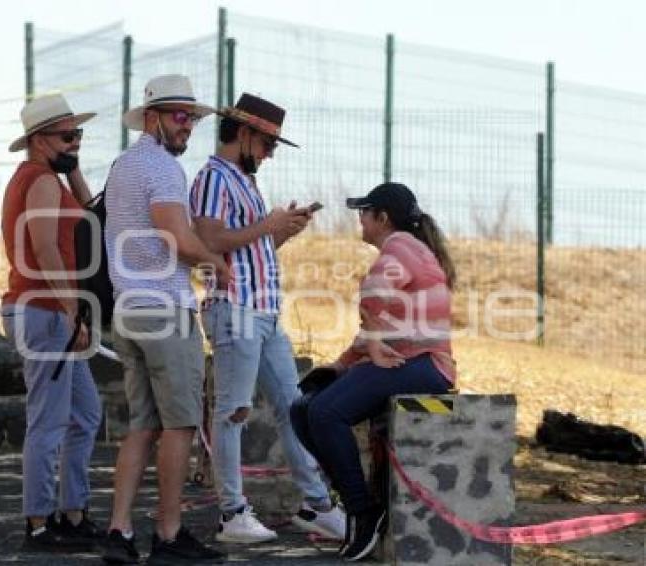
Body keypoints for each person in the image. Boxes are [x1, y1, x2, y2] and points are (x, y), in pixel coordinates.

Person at [189, 93, 345, 543]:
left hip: (261, 311)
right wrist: (270, 226)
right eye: (269, 142)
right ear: (245, 133)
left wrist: (280, 233)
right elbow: (211, 241)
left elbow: (246, 248)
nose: (272, 151)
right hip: (236, 308)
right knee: (232, 411)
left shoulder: (241, 180)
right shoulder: (214, 178)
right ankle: (232, 512)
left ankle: (316, 505)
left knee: (293, 408)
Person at [289, 182, 458, 561]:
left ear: (382, 218)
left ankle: (363, 513)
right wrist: (342, 364)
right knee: (303, 408)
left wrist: (377, 343)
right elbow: (375, 326)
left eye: (363, 212)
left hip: (426, 366)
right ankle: (357, 502)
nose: (359, 220)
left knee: (324, 412)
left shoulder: (400, 245)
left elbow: (372, 294)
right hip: (409, 362)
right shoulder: (408, 248)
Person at [100, 74, 229, 565]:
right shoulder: (161, 168)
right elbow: (175, 233)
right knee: (179, 426)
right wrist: (216, 263)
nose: (188, 126)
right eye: (180, 116)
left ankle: (119, 530)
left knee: (142, 426)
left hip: (127, 308)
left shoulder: (121, 165)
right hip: (164, 309)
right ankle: (170, 535)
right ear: (151, 118)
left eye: (192, 118)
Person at [0, 93, 103, 550]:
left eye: (78, 134)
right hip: (43, 310)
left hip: (52, 310)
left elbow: (90, 209)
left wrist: (73, 161)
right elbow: (44, 249)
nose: (75, 142)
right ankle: (38, 524)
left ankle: (74, 513)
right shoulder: (38, 179)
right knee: (48, 420)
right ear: (38, 141)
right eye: (67, 135)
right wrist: (70, 311)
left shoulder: (52, 179)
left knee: (85, 413)